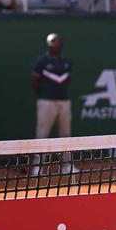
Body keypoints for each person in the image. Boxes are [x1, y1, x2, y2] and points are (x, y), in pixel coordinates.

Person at [30, 33, 76, 176]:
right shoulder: (42, 61)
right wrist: (42, 95)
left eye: (56, 42)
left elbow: (67, 80)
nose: (53, 45)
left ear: (60, 44)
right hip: (46, 102)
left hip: (64, 102)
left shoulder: (66, 62)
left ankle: (67, 165)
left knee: (66, 135)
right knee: (42, 135)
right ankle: (38, 167)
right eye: (51, 43)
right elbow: (34, 81)